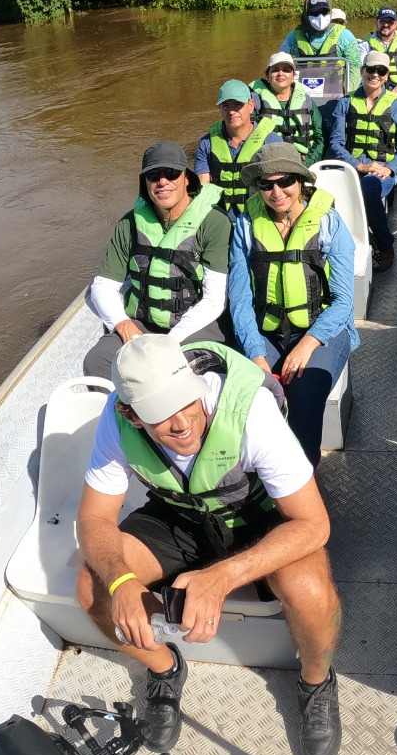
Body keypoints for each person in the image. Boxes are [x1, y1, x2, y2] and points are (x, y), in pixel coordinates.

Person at [74, 332, 342, 755]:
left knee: (310, 590)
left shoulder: (249, 410)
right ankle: (164, 668)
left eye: (187, 401)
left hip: (258, 515)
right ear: (131, 414)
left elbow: (314, 524)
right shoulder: (116, 420)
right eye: (161, 414)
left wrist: (222, 578)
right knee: (92, 587)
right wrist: (121, 580)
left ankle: (316, 681)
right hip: (179, 514)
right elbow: (93, 519)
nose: (182, 423)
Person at [227, 144, 359, 466]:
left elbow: (343, 302)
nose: (276, 192)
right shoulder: (246, 226)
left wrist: (307, 345)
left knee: (304, 398)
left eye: (285, 181)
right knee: (253, 395)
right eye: (266, 184)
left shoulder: (329, 223)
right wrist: (257, 355)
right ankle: (261, 481)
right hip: (267, 332)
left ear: (300, 181)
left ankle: (303, 481)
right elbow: (240, 299)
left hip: (324, 330)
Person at [84, 141, 233, 379]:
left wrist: (169, 342)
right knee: (97, 363)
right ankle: (125, 415)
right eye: (153, 176)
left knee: (192, 374)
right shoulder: (129, 223)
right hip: (141, 324)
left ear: (187, 179)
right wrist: (123, 325)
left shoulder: (214, 223)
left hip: (196, 326)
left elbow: (215, 300)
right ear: (145, 183)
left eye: (171, 174)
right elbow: (102, 285)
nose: (162, 182)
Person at [328, 49, 397, 272]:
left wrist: (391, 170)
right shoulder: (345, 104)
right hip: (352, 165)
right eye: (370, 69)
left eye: (380, 71)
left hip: (382, 170)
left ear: (386, 76)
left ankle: (385, 244)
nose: (374, 74)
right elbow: (336, 143)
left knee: (367, 186)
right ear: (362, 70)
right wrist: (359, 165)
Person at [195, 78, 283, 215]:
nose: (231, 111)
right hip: (220, 216)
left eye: (237, 105)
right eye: (226, 106)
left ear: (251, 106)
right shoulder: (206, 143)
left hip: (260, 215)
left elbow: (282, 186)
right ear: (220, 108)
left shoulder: (272, 141)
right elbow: (203, 187)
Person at [281, 0, 363, 93]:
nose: (320, 16)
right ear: (306, 15)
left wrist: (348, 94)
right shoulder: (293, 38)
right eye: (315, 13)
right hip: (303, 95)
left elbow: (355, 66)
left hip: (337, 93)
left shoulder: (344, 36)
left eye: (324, 12)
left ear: (330, 13)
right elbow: (280, 65)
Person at [251, 52, 324, 164]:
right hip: (268, 161)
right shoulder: (255, 102)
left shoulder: (307, 100)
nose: (281, 73)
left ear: (293, 75)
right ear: (267, 75)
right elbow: (246, 135)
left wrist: (308, 162)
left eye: (286, 70)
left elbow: (321, 136)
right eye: (275, 70)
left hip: (303, 161)